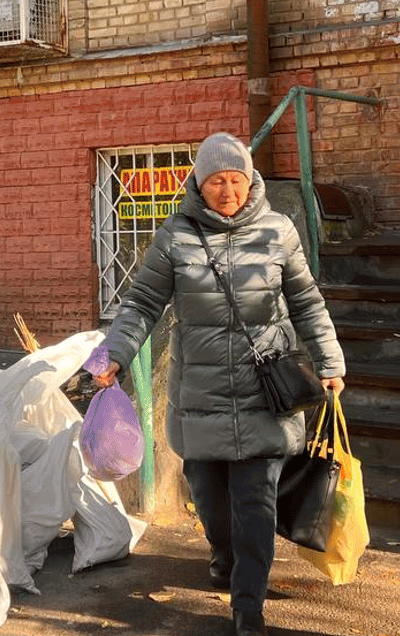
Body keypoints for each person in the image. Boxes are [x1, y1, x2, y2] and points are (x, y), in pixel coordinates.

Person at [92, 131, 346, 636]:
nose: (227, 191)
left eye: (236, 180)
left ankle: (247, 604)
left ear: (250, 181)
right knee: (209, 496)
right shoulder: (176, 237)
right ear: (199, 184)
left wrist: (329, 360)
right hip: (200, 394)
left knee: (256, 500)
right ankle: (224, 557)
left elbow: (306, 302)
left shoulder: (278, 231)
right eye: (216, 181)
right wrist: (115, 354)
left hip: (266, 391)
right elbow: (142, 303)